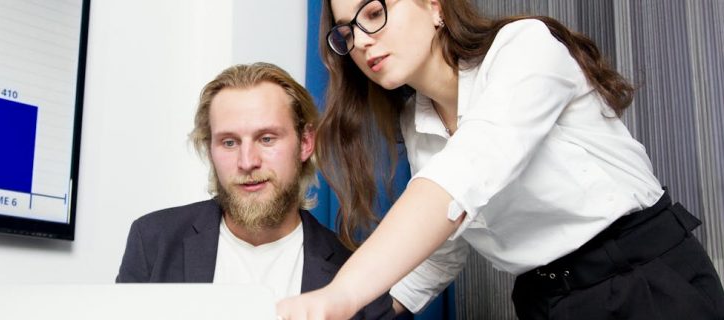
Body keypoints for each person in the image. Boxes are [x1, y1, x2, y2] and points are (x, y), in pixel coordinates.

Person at [276, 0, 724, 319]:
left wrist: (343, 293)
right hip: (547, 300)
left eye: (374, 14)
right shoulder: (418, 122)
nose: (361, 42)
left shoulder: (525, 47)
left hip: (640, 279)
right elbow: (441, 250)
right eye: (347, 32)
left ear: (435, 7)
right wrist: (360, 312)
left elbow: (466, 174)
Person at [115, 63, 394, 319]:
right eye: (229, 142)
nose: (247, 161)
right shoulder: (153, 241)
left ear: (306, 142)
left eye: (267, 138)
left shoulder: (359, 274)